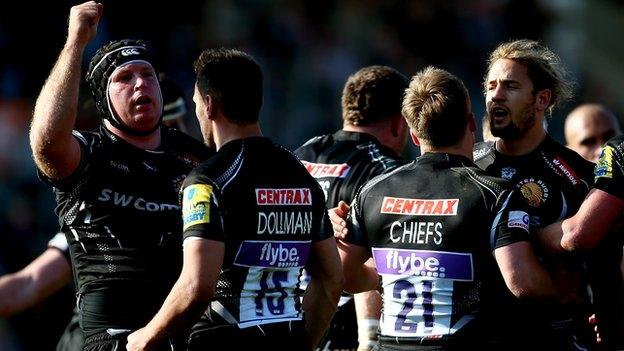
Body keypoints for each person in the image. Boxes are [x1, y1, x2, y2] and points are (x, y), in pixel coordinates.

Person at [126, 48, 344, 351]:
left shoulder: (207, 181)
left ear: (210, 105)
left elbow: (197, 287)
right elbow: (332, 279)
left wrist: (145, 338)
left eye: (196, 104)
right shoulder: (300, 176)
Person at [28, 2, 211, 350]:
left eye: (147, 74)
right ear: (102, 99)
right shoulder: (90, 154)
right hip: (109, 341)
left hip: (184, 338)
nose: (141, 83)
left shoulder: (196, 158)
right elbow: (47, 144)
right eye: (125, 78)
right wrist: (76, 42)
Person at [337, 66, 556, 350]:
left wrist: (389, 274)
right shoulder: (495, 193)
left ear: (414, 134)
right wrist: (570, 292)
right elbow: (522, 283)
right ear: (472, 123)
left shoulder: (373, 190)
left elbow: (342, 275)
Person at [2, 76, 196, 351]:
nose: (171, 136)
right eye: (166, 125)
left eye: (177, 125)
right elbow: (29, 283)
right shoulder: (103, 214)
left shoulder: (201, 205)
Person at [473, 39, 596, 349]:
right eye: (491, 86)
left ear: (541, 99)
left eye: (511, 86)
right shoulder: (466, 164)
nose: (496, 95)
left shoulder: (577, 175)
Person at [295, 65, 408, 351]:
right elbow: (378, 257)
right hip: (345, 333)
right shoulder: (388, 174)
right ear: (398, 123)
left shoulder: (298, 157)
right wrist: (370, 338)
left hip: (286, 322)